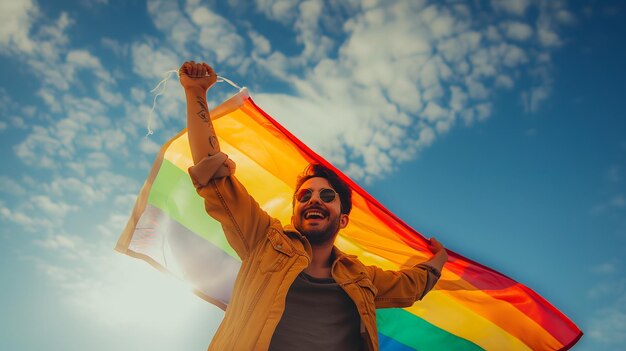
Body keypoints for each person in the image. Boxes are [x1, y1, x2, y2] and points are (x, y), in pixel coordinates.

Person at [179, 61, 448, 351]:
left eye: (327, 196)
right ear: (294, 213)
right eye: (305, 197)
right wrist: (196, 92)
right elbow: (214, 177)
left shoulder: (362, 278)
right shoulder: (264, 240)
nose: (315, 200)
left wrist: (440, 259)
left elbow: (412, 285)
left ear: (343, 220)